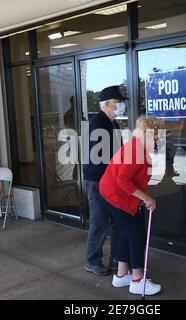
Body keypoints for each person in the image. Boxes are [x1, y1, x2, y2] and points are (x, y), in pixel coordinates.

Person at [99, 116, 163, 296]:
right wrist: (146, 198)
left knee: (128, 232)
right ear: (148, 134)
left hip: (114, 195)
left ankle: (121, 276)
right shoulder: (136, 151)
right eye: (157, 135)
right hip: (116, 196)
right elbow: (123, 181)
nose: (159, 138)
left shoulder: (137, 146)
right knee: (136, 234)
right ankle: (137, 279)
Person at [82, 85, 127, 276]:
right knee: (99, 222)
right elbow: (97, 159)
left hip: (110, 180)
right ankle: (92, 261)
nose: (121, 105)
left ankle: (116, 258)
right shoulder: (98, 124)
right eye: (118, 102)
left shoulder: (111, 123)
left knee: (117, 221)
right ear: (107, 104)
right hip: (98, 182)